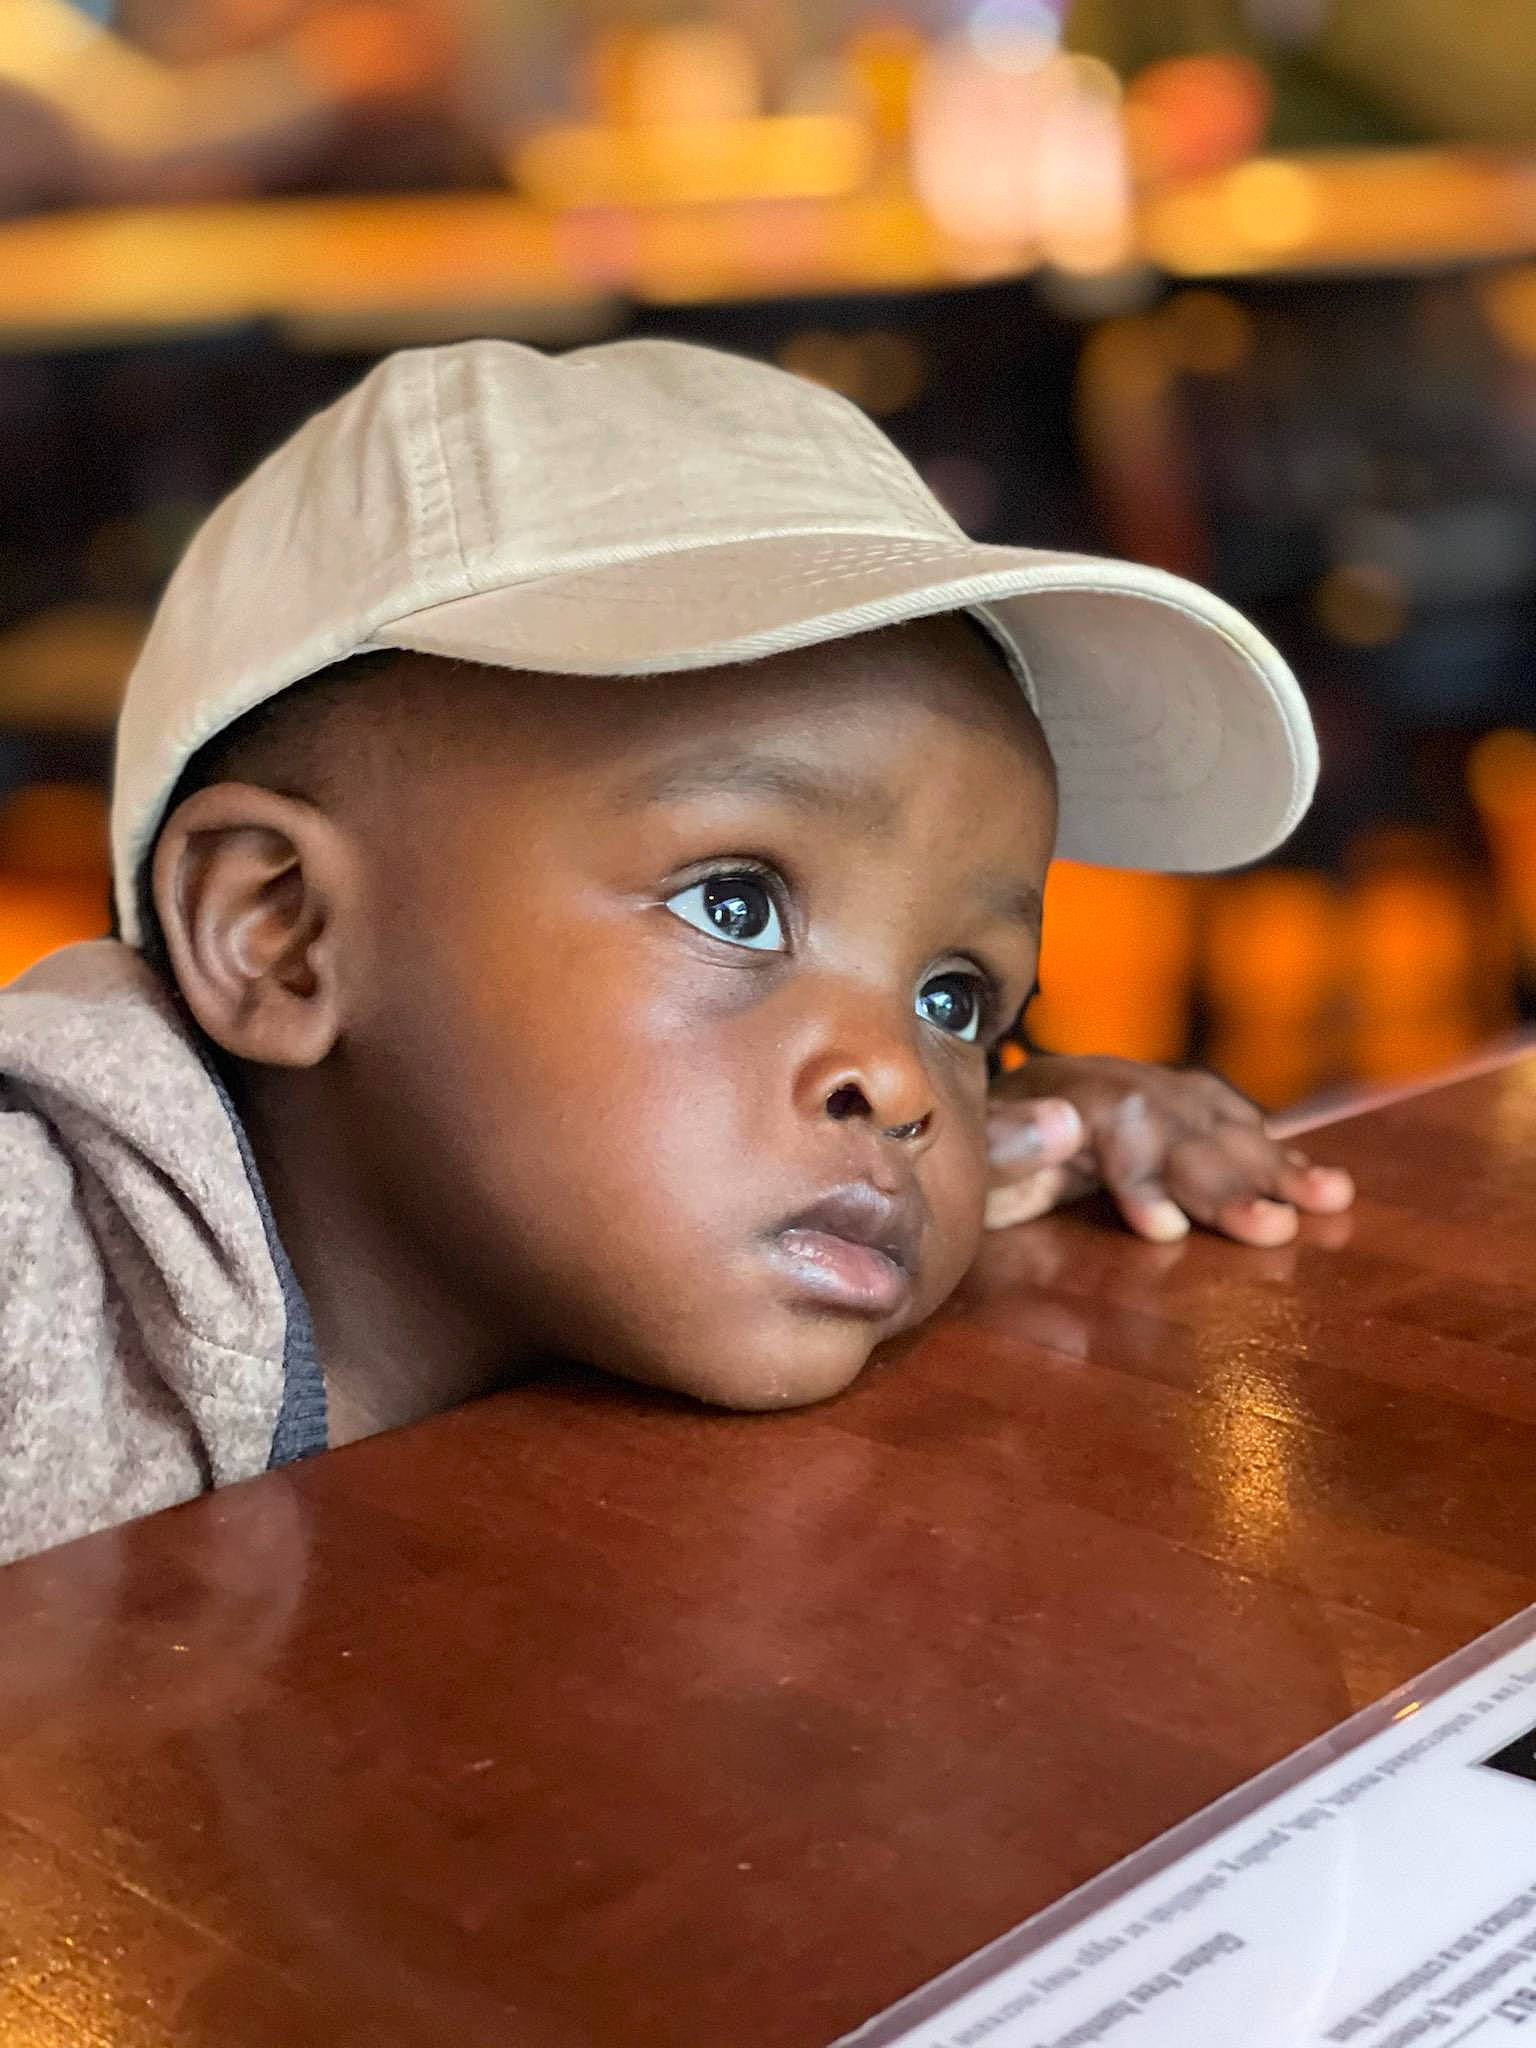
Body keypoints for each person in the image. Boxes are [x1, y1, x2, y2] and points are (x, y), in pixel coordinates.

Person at [0, 336, 1351, 1565]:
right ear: (282, 934)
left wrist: (1040, 1139)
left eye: (957, 1000)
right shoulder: (34, 1295)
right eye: (735, 907)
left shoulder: (601, 1246)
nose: (899, 1084)